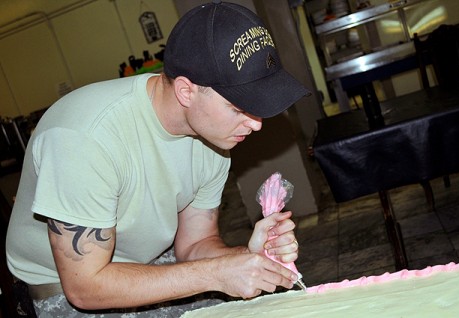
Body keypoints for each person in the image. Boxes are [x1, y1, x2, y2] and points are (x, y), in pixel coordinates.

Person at [6, 1, 310, 316]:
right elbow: (85, 288)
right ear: (186, 92)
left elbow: (194, 245)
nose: (256, 123)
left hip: (148, 259)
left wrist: (247, 257)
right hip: (65, 286)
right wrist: (217, 272)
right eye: (239, 108)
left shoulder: (213, 137)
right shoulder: (85, 138)